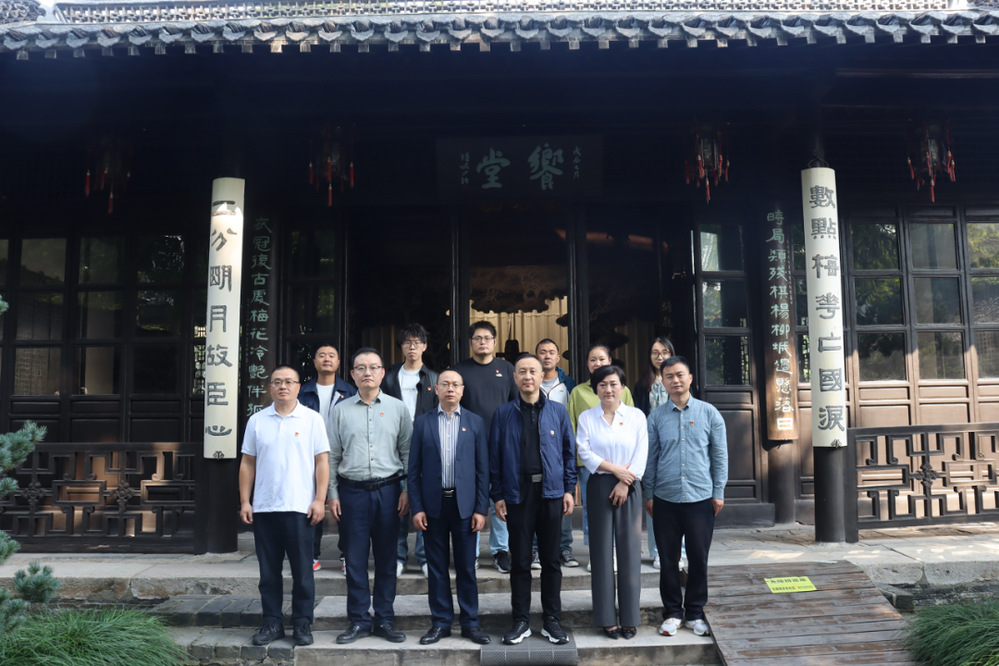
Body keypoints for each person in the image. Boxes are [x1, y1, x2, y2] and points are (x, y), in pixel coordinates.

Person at [239, 365, 330, 647]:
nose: (283, 386)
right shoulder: (257, 421)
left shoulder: (312, 419)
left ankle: (302, 623)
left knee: (302, 573)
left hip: (300, 508)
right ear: (270, 387)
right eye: (277, 382)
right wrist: (245, 501)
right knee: (268, 574)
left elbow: (322, 462)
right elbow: (247, 463)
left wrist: (320, 500)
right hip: (265, 508)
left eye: (289, 382)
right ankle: (272, 623)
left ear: (298, 387)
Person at [328, 348, 413, 645]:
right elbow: (332, 456)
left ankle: (385, 619)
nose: (367, 373)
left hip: (390, 493)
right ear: (352, 374)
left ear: (382, 373)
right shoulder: (340, 410)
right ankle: (359, 620)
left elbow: (407, 453)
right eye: (361, 368)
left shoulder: (398, 409)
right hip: (352, 493)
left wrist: (406, 490)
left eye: (373, 367)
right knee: (355, 560)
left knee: (387, 559)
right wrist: (332, 494)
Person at [490, 354, 576, 646]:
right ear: (514, 377)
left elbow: (568, 453)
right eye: (522, 372)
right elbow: (495, 459)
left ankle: (552, 620)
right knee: (520, 561)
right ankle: (521, 621)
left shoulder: (558, 412)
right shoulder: (503, 414)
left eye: (533, 371)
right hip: (518, 495)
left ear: (542, 377)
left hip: (550, 493)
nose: (528, 377)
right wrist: (498, 495)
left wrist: (568, 489)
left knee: (551, 561)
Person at [645, 355, 728, 638]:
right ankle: (672, 613)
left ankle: (694, 612)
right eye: (669, 376)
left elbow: (719, 456)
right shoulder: (656, 418)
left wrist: (718, 491)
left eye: (680, 375)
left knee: (698, 558)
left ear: (690, 378)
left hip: (700, 498)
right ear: (663, 381)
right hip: (665, 498)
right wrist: (649, 493)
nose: (675, 380)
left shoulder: (709, 413)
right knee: (668, 560)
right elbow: (650, 459)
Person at [408, 370, 492, 646]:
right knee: (437, 568)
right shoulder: (423, 423)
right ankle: (441, 622)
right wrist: (417, 507)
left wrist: (481, 508)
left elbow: (483, 470)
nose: (450, 389)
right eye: (445, 384)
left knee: (466, 567)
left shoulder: (475, 422)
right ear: (436, 389)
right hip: (433, 505)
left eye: (456, 384)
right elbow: (414, 470)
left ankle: (470, 623)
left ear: (462, 390)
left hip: (465, 506)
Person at [576, 364, 648, 640]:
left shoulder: (636, 416)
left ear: (623, 387)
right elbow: (584, 452)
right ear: (596, 388)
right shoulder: (587, 417)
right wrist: (615, 470)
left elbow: (641, 452)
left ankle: (630, 618)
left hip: (630, 485)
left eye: (613, 384)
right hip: (599, 484)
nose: (608, 389)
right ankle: (607, 618)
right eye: (602, 384)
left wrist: (624, 481)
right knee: (601, 552)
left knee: (630, 551)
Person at [455, 320, 518, 573]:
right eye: (477, 338)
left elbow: (516, 407)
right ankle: (470, 551)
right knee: (470, 499)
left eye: (487, 338)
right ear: (470, 343)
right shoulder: (460, 371)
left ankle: (500, 551)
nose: (482, 342)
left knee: (500, 500)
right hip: (468, 447)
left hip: (501, 447)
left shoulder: (507, 369)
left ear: (494, 342)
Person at [566, 344, 634, 558]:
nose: (597, 363)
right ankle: (596, 550)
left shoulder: (624, 390)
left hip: (621, 462)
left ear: (610, 361)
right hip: (589, 463)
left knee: (621, 504)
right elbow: (572, 427)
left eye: (602, 359)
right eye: (593, 359)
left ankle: (619, 549)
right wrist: (574, 460)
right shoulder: (578, 392)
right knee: (592, 508)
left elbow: (632, 422)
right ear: (587, 364)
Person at [382, 324, 438, 578]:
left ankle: (425, 557)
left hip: (425, 446)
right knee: (398, 502)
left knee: (425, 501)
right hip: (394, 445)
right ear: (402, 347)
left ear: (424, 346)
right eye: (407, 343)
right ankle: (398, 557)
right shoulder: (389, 377)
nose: (412, 347)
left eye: (417, 342)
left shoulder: (434, 378)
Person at [298, 343, 356, 572]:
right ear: (314, 362)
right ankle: (310, 555)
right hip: (310, 454)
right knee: (312, 503)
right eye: (321, 355)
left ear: (338, 362)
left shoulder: (350, 391)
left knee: (345, 505)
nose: (326, 359)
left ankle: (347, 555)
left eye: (332, 355)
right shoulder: (303, 391)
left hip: (341, 454)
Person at [631, 337, 675, 570]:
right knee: (653, 500)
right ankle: (657, 551)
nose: (660, 357)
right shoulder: (641, 386)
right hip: (650, 447)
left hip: (676, 446)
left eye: (665, 352)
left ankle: (678, 550)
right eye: (655, 352)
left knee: (678, 499)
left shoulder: (678, 382)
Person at [535, 338, 579, 568]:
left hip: (559, 449)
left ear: (558, 357)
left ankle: (564, 549)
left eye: (551, 352)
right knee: (534, 502)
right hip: (534, 450)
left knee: (563, 500)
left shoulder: (568, 384)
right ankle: (535, 550)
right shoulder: (531, 381)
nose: (547, 356)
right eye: (542, 352)